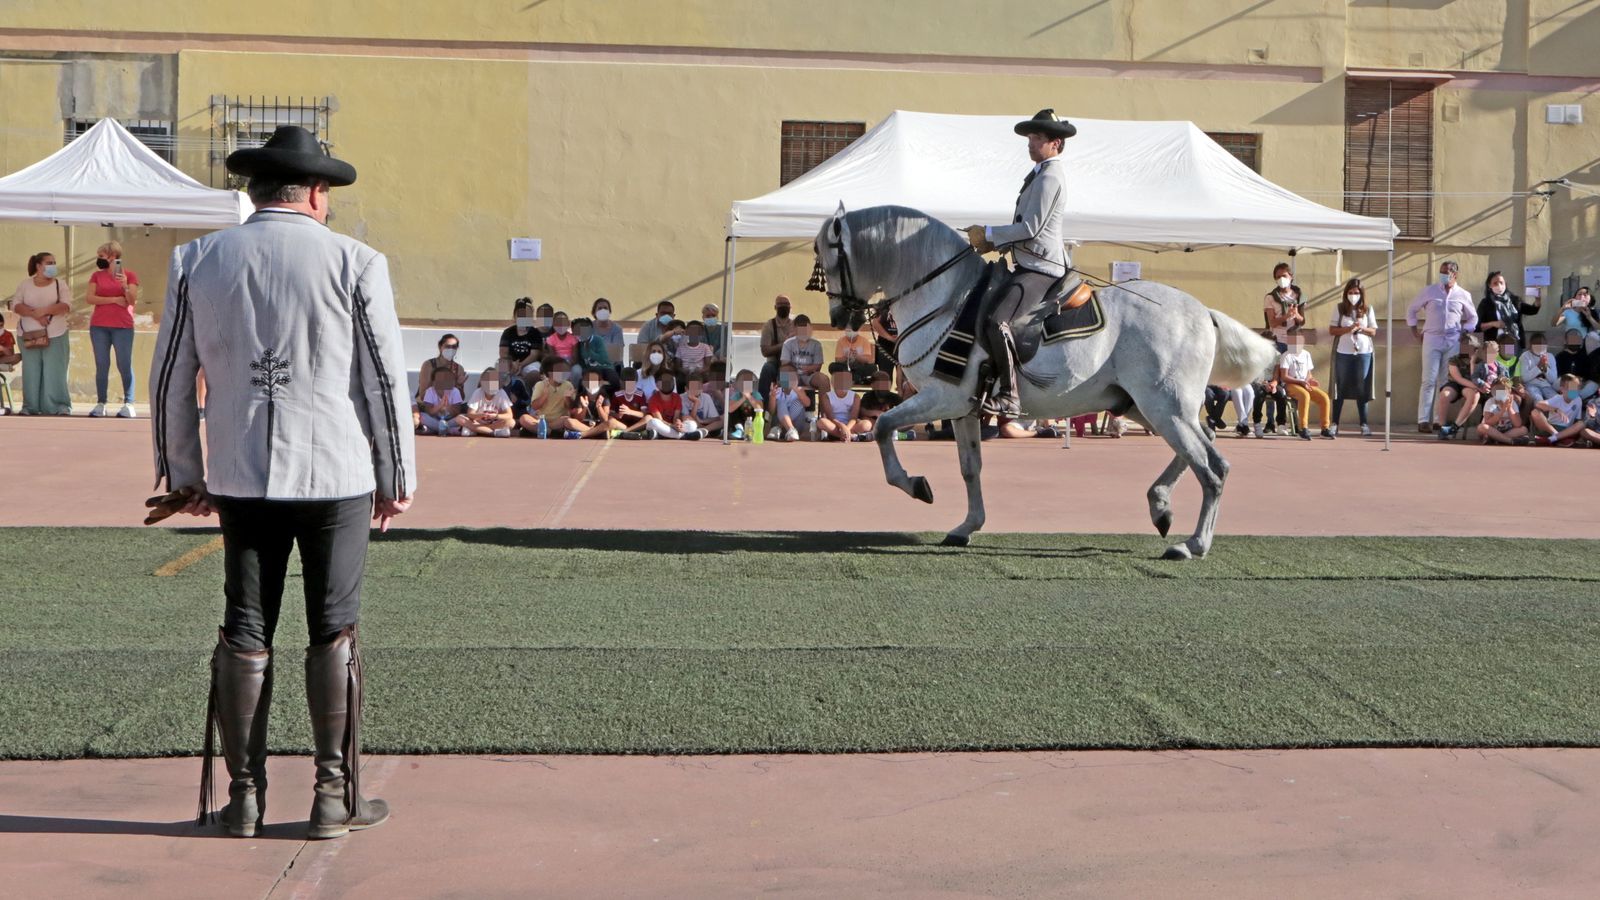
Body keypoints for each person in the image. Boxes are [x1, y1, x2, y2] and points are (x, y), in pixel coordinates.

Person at [149, 125, 412, 840]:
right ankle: (333, 795)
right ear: (317, 192)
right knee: (334, 627)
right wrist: (397, 474)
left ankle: (244, 798)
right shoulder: (355, 261)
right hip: (336, 470)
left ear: (255, 189)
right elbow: (384, 379)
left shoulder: (198, 259)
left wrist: (183, 473)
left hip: (240, 469)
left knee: (245, 625)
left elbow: (172, 376)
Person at [964, 108, 1076, 417]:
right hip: (1028, 262)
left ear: (1056, 143)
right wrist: (995, 241)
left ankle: (1010, 396)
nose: (1030, 143)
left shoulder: (1050, 177)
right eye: (1030, 138)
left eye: (1037, 138)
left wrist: (989, 234)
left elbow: (1031, 228)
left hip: (1042, 268)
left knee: (996, 320)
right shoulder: (1039, 173)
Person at [1407, 260, 1478, 432]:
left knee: (1445, 381)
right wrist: (1415, 331)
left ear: (1455, 274)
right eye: (1441, 272)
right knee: (1428, 380)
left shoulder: (1463, 294)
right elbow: (1411, 309)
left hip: (1452, 340)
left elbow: (1473, 318)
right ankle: (1423, 420)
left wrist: (1465, 331)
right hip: (1431, 338)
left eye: (1447, 272)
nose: (1444, 275)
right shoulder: (1429, 291)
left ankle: (1440, 420)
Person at [9, 251, 73, 415]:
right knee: (31, 370)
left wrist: (44, 311)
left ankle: (58, 406)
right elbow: (16, 305)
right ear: (38, 266)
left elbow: (65, 305)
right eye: (49, 263)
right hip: (29, 335)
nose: (53, 266)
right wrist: (34, 314)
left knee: (55, 371)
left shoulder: (60, 284)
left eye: (54, 262)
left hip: (56, 334)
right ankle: (30, 406)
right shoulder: (25, 284)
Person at [86, 240, 141, 417]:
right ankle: (101, 403)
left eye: (101, 256)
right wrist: (114, 300)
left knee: (124, 363)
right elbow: (90, 298)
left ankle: (129, 403)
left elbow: (132, 300)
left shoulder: (130, 275)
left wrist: (124, 286)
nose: (99, 259)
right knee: (102, 364)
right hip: (99, 326)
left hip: (123, 326)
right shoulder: (96, 276)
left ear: (113, 256)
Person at [1329, 278, 1378, 436]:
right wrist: (1348, 329)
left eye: (1356, 293)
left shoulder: (1368, 309)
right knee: (1340, 387)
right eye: (1350, 292)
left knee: (1362, 386)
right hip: (1343, 352)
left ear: (1361, 294)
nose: (1353, 295)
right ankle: (1335, 423)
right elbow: (1332, 330)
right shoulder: (1340, 308)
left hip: (1363, 352)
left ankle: (1364, 423)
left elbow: (1373, 331)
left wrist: (1361, 328)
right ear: (1346, 294)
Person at [1277, 334, 1331, 439]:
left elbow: (1309, 373)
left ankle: (1325, 428)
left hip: (1304, 384)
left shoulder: (1306, 354)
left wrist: (1309, 380)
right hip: (1290, 385)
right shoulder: (1286, 356)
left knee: (1324, 397)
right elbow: (1284, 377)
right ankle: (1303, 428)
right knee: (1304, 395)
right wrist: (1300, 382)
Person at [1432, 336, 1487, 439]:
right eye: (1464, 345)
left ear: (1475, 349)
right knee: (1445, 394)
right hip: (1456, 384)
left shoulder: (1479, 362)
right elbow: (1458, 379)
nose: (1465, 348)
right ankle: (1441, 427)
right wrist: (1478, 387)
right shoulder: (1454, 359)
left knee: (1474, 395)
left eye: (1469, 346)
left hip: (1471, 385)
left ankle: (1455, 427)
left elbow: (1475, 377)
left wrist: (1472, 362)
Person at [413, 333, 466, 428]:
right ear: (440, 346)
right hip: (428, 407)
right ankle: (442, 427)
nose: (451, 349)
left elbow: (460, 399)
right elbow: (423, 395)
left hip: (449, 410)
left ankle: (436, 427)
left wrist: (458, 385)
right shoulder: (428, 365)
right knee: (421, 415)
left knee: (465, 412)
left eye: (454, 347)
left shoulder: (459, 368)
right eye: (448, 346)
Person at [1477, 270, 1539, 352]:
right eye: (1495, 283)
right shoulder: (1485, 303)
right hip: (1494, 346)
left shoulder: (1514, 300)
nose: (1499, 285)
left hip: (1514, 343)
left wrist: (1538, 299)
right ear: (1489, 286)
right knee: (1496, 365)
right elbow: (1477, 327)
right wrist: (1493, 324)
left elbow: (1532, 310)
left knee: (1513, 364)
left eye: (1501, 283)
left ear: (1505, 284)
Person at [518, 358, 577, 436]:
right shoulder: (540, 385)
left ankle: (539, 431)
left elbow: (571, 408)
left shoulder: (568, 385)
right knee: (524, 418)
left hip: (559, 422)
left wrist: (567, 398)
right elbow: (535, 406)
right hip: (542, 421)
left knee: (567, 420)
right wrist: (544, 395)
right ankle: (551, 433)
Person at [453, 368, 514, 437]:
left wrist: (496, 416)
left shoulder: (501, 393)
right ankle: (492, 432)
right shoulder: (478, 392)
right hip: (478, 422)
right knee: (459, 418)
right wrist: (481, 415)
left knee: (511, 422)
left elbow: (509, 415)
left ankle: (478, 430)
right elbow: (470, 414)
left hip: (495, 423)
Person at [816, 361, 868, 442]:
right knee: (821, 422)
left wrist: (846, 428)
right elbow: (830, 417)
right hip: (835, 425)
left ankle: (844, 435)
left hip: (851, 425)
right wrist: (841, 426)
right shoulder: (827, 396)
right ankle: (851, 436)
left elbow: (854, 417)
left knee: (866, 424)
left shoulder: (855, 397)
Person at [757, 294, 796, 400]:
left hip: (792, 362)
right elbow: (765, 351)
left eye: (786, 304)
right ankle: (763, 407)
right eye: (780, 304)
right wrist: (784, 344)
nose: (784, 306)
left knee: (803, 373)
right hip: (774, 362)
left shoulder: (795, 325)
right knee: (767, 369)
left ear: (790, 307)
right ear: (775, 307)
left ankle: (807, 411)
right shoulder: (768, 326)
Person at [642, 373, 702, 440]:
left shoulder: (677, 397)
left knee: (692, 425)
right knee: (653, 422)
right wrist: (673, 426)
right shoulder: (653, 399)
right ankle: (683, 436)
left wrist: (678, 423)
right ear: (657, 385)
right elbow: (660, 420)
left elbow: (675, 417)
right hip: (662, 424)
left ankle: (662, 435)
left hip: (672, 427)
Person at [1530, 374, 1585, 444]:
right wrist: (1556, 409)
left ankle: (1552, 439)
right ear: (1562, 389)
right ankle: (1557, 437)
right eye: (1571, 388)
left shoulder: (1578, 400)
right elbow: (1538, 404)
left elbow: (1577, 420)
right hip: (1550, 428)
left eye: (1577, 387)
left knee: (1581, 424)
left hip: (1566, 430)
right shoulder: (1557, 398)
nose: (1575, 391)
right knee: (1535, 412)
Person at [781, 314, 828, 393]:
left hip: (810, 375)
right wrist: (796, 371)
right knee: (785, 375)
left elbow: (818, 365)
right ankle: (785, 403)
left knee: (824, 380)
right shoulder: (788, 343)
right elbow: (784, 364)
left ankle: (824, 405)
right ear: (795, 330)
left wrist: (810, 369)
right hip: (793, 374)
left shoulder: (816, 344)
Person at [499, 298, 544, 379]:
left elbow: (535, 354)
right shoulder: (507, 332)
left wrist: (520, 365)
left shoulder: (535, 333)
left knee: (534, 375)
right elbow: (503, 353)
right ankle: (494, 391)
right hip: (510, 363)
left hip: (529, 364)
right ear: (514, 316)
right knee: (492, 375)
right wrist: (512, 364)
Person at [1476, 377, 1528, 445]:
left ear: (1509, 391)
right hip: (1492, 430)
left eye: (1502, 389)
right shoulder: (1490, 402)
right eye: (1496, 390)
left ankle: (1497, 439)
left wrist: (1509, 408)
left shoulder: (1513, 403)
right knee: (1482, 427)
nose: (1499, 392)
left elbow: (1517, 424)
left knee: (1524, 429)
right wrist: (1502, 410)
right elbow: (1488, 422)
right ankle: (1509, 441)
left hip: (1507, 431)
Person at [769, 363, 814, 441]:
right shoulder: (776, 391)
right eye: (784, 376)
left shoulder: (799, 390)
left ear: (797, 378)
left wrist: (796, 389)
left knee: (799, 402)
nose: (788, 379)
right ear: (779, 380)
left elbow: (807, 403)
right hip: (778, 431)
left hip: (797, 426)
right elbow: (771, 411)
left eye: (791, 376)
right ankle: (790, 429)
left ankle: (788, 429)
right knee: (781, 402)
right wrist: (772, 397)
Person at [572, 316, 619, 391]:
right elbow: (581, 363)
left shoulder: (598, 340)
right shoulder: (578, 344)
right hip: (590, 370)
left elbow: (603, 359)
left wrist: (589, 351)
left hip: (605, 368)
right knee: (586, 385)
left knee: (615, 382)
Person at [1263, 262, 1305, 342]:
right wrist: (1286, 316)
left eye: (1284, 276)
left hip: (1294, 341)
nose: (1281, 279)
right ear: (1275, 280)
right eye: (1278, 277)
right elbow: (1272, 323)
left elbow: (1302, 322)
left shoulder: (1299, 296)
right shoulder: (1270, 297)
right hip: (1277, 341)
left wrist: (1296, 315)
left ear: (1291, 277)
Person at [566, 369, 613, 439]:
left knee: (612, 422)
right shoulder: (580, 396)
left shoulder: (604, 396)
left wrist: (599, 407)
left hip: (600, 425)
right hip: (584, 425)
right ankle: (596, 433)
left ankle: (585, 434)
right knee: (568, 421)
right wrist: (585, 407)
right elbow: (578, 419)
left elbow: (605, 419)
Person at [417, 367, 464, 435]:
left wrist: (448, 407)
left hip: (450, 420)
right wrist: (440, 405)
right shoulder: (430, 391)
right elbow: (429, 412)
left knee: (462, 417)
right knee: (422, 416)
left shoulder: (455, 391)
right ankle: (447, 429)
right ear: (433, 382)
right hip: (434, 419)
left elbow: (456, 412)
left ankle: (434, 429)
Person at [1550, 287, 1600, 352]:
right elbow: (1553, 324)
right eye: (1579, 294)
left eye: (1585, 295)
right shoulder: (1568, 312)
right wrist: (1562, 308)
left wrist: (1589, 317)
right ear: (1575, 298)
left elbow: (1598, 328)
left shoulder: (1595, 312)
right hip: (1572, 346)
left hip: (1589, 347)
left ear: (1590, 299)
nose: (1582, 297)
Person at [835, 311, 878, 385]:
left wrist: (857, 356)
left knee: (873, 368)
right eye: (848, 330)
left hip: (860, 368)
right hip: (846, 368)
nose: (850, 332)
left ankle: (853, 378)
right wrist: (845, 357)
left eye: (852, 330)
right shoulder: (841, 341)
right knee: (833, 366)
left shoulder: (864, 341)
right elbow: (837, 360)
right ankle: (856, 378)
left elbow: (868, 360)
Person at [1554, 328, 1598, 398]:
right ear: (1566, 341)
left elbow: (1587, 374)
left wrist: (1581, 380)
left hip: (1580, 385)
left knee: (1594, 384)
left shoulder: (1584, 356)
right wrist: (1572, 379)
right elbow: (1558, 375)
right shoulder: (1560, 356)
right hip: (1565, 384)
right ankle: (1574, 399)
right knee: (1564, 383)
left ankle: (1574, 399)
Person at [609, 368, 651, 438]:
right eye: (626, 383)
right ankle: (635, 433)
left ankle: (624, 433)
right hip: (622, 425)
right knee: (610, 420)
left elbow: (644, 414)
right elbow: (611, 413)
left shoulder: (640, 394)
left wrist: (630, 411)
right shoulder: (617, 395)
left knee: (648, 418)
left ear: (636, 382)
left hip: (637, 425)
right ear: (621, 382)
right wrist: (618, 415)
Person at [724, 368, 764, 440]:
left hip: (752, 420)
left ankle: (753, 431)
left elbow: (760, 408)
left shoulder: (756, 394)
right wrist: (742, 399)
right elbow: (729, 409)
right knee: (733, 410)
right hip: (740, 421)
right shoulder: (736, 395)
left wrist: (749, 397)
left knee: (759, 413)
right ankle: (740, 430)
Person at [1520, 334, 1559, 403]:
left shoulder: (1550, 356)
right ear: (1530, 345)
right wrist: (1538, 367)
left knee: (1557, 400)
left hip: (1546, 385)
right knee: (1538, 400)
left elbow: (1553, 380)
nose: (1540, 346)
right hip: (1531, 385)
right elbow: (1524, 378)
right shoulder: (1525, 356)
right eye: (1537, 344)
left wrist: (1546, 369)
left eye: (1542, 344)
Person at [590, 298, 626, 367]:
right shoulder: (588, 328)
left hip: (613, 366)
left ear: (609, 312)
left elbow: (617, 352)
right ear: (594, 312)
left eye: (605, 308)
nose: (603, 310)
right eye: (600, 308)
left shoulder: (617, 329)